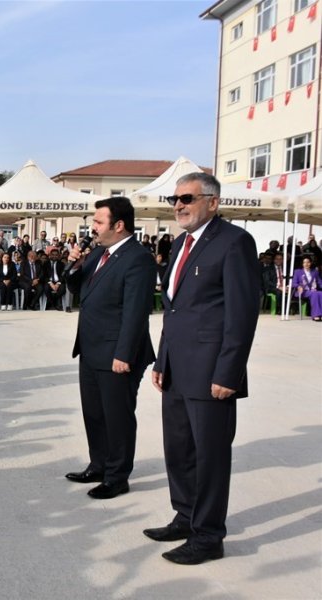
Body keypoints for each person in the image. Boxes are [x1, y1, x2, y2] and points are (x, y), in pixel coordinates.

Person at [148, 172, 260, 565]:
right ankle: (185, 516)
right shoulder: (180, 243)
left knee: (209, 456)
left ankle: (209, 535)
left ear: (212, 202)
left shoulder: (234, 243)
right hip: (177, 369)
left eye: (187, 198)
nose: (178, 205)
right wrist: (162, 360)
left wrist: (228, 374)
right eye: (174, 198)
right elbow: (174, 311)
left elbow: (242, 314)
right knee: (178, 450)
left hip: (211, 373)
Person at [65, 196, 155, 500]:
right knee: (94, 413)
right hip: (91, 349)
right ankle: (99, 465)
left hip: (118, 353)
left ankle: (117, 477)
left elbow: (136, 312)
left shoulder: (138, 258)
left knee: (117, 416)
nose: (93, 228)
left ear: (119, 225)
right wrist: (74, 265)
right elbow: (78, 289)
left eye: (98, 222)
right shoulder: (97, 254)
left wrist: (124, 354)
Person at [292, 256, 322, 321]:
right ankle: (316, 315)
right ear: (302, 264)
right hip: (303, 291)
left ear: (310, 263)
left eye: (308, 262)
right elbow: (294, 283)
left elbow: (319, 282)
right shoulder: (298, 271)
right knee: (314, 294)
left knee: (320, 293)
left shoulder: (314, 272)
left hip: (313, 290)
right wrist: (298, 286)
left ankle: (321, 314)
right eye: (304, 262)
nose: (306, 264)